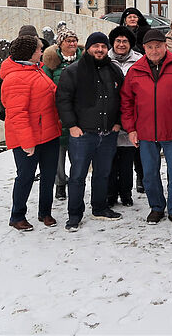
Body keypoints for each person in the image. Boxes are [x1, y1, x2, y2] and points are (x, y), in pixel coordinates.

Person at [120, 29, 172, 228]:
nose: (154, 50)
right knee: (149, 173)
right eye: (150, 47)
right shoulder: (135, 70)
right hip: (145, 132)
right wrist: (131, 129)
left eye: (158, 46)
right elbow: (126, 101)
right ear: (144, 48)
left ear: (165, 46)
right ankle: (156, 206)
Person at [56, 32, 125, 231]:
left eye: (103, 46)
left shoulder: (113, 70)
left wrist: (118, 122)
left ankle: (100, 207)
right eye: (96, 46)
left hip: (108, 133)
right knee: (77, 175)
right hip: (82, 134)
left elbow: (123, 98)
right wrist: (72, 126)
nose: (100, 50)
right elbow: (63, 100)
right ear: (88, 48)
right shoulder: (73, 71)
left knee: (103, 173)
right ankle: (74, 215)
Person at [1, 35, 62, 231]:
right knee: (25, 177)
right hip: (27, 139)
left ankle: (45, 212)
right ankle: (17, 216)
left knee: (48, 175)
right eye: (39, 49)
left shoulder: (37, 70)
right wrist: (27, 142)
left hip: (48, 134)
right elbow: (17, 114)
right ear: (29, 53)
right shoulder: (15, 78)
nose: (42, 52)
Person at [42, 27, 82, 201]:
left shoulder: (84, 59)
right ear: (60, 43)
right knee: (59, 154)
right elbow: (46, 86)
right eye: (68, 41)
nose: (72, 43)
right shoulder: (51, 62)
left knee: (77, 154)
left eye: (74, 40)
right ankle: (60, 184)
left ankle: (76, 182)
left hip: (79, 114)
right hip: (57, 114)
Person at [107, 26, 143, 208]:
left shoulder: (139, 61)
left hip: (131, 114)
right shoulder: (105, 59)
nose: (121, 44)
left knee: (127, 159)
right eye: (118, 41)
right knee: (110, 160)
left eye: (125, 41)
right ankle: (110, 194)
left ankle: (126, 193)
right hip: (109, 115)